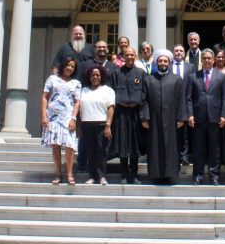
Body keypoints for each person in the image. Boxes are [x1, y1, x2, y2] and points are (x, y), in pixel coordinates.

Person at [143, 50, 187, 184]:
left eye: (165, 61)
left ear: (169, 63)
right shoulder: (149, 79)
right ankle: (156, 175)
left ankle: (170, 174)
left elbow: (181, 99)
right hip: (154, 120)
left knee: (171, 146)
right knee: (155, 146)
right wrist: (145, 117)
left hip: (171, 119)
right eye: (160, 61)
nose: (163, 63)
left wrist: (181, 118)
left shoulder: (176, 79)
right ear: (156, 63)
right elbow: (143, 100)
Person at [187, 49, 225, 185]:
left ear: (213, 60)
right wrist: (190, 114)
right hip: (198, 118)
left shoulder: (221, 77)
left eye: (209, 58)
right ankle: (198, 175)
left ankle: (214, 176)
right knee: (198, 149)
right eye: (204, 58)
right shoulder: (193, 76)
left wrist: (224, 115)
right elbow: (188, 98)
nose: (206, 60)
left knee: (214, 149)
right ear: (202, 60)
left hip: (215, 118)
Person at [109, 47, 148, 184]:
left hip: (136, 114)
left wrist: (144, 117)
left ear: (135, 56)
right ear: (123, 57)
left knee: (135, 145)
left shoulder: (142, 74)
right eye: (127, 55)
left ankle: (134, 174)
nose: (130, 57)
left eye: (132, 55)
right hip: (121, 114)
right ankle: (124, 175)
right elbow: (111, 94)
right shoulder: (116, 73)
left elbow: (145, 96)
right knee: (123, 144)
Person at [41, 57, 81, 186]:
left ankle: (69, 174)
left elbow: (77, 102)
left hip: (68, 117)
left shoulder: (76, 83)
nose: (69, 68)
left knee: (70, 145)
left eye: (72, 66)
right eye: (68, 65)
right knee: (56, 145)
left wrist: (73, 118)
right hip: (53, 117)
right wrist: (44, 116)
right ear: (63, 65)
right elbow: (44, 97)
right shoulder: (52, 79)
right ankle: (58, 174)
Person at [79, 65, 115, 185]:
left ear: (102, 76)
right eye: (93, 75)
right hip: (86, 124)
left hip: (102, 124)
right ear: (89, 77)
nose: (95, 77)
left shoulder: (108, 90)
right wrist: (79, 125)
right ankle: (92, 177)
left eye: (97, 75)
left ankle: (101, 176)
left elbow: (111, 108)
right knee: (90, 151)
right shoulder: (83, 90)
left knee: (101, 151)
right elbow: (79, 108)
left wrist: (108, 125)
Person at [171, 43, 194, 166]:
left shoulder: (190, 67)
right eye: (176, 51)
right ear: (173, 53)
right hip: (170, 104)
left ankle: (184, 156)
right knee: (172, 131)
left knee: (185, 132)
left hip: (185, 103)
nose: (179, 53)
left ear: (184, 54)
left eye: (181, 51)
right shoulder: (167, 66)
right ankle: (173, 154)